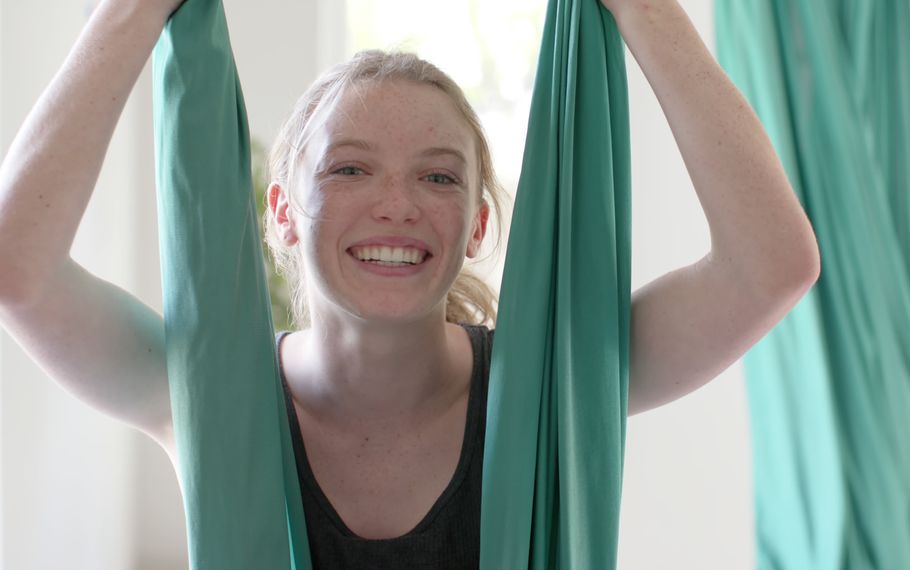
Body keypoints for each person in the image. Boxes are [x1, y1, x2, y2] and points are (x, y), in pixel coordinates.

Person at [0, 0, 820, 566]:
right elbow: (17, 271)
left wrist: (646, 12)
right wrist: (132, 12)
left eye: (436, 178)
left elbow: (771, 266)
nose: (396, 206)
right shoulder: (207, 397)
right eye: (351, 168)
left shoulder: (551, 390)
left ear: (476, 227)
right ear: (282, 212)